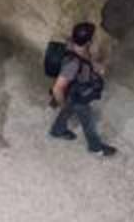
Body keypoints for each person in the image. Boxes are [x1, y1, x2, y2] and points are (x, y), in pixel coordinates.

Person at [49, 22, 117, 157]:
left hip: (74, 90)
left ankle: (57, 131)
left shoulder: (75, 45)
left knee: (68, 110)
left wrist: (95, 67)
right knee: (88, 121)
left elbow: (85, 60)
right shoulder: (72, 64)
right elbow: (57, 88)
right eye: (92, 37)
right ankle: (95, 147)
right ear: (88, 41)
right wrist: (61, 103)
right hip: (77, 95)